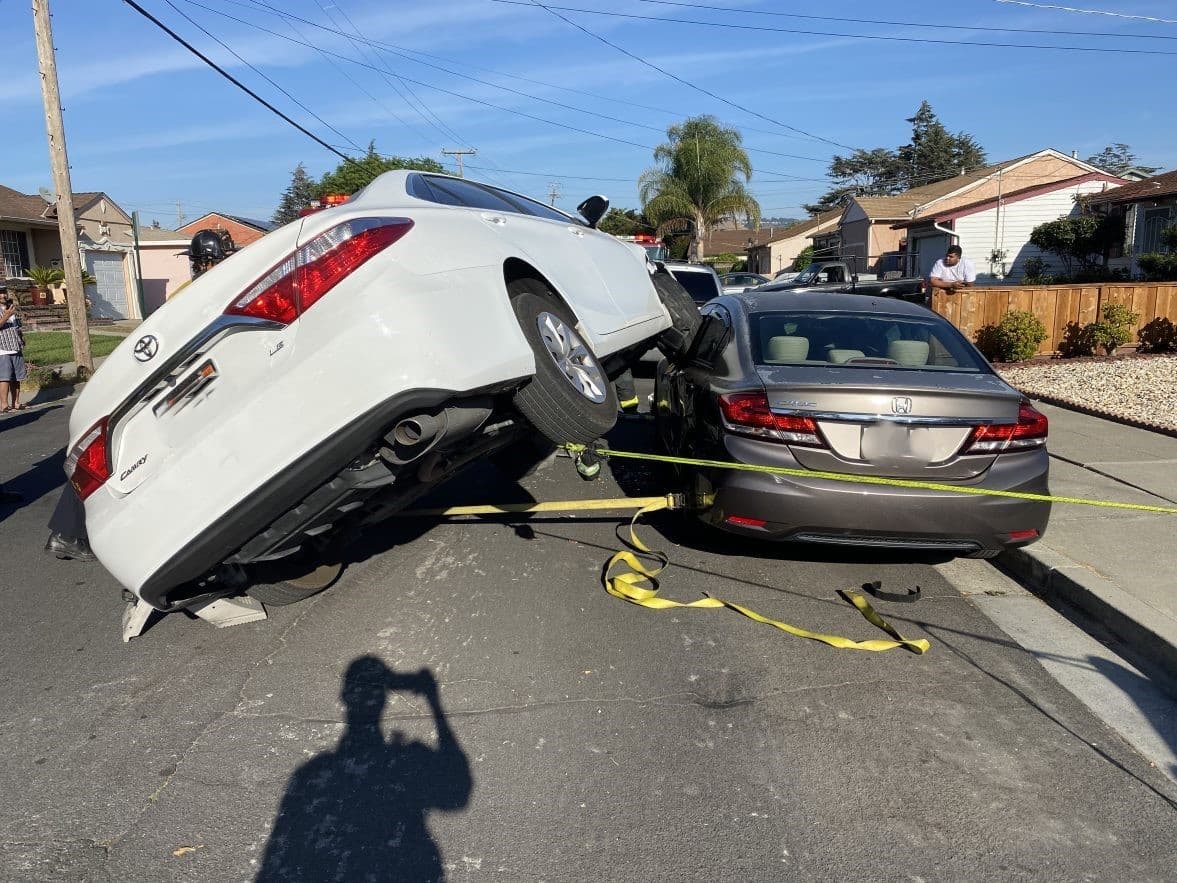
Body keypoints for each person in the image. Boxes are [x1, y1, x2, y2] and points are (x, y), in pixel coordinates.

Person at [0, 284, 27, 412]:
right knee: (4, 377)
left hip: (16, 346)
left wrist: (21, 338)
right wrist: (6, 315)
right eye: (0, 293)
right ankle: (4, 405)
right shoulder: (5, 311)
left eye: (4, 292)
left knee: (17, 377)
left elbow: (17, 326)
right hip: (2, 349)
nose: (3, 295)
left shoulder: (11, 308)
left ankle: (15, 403)